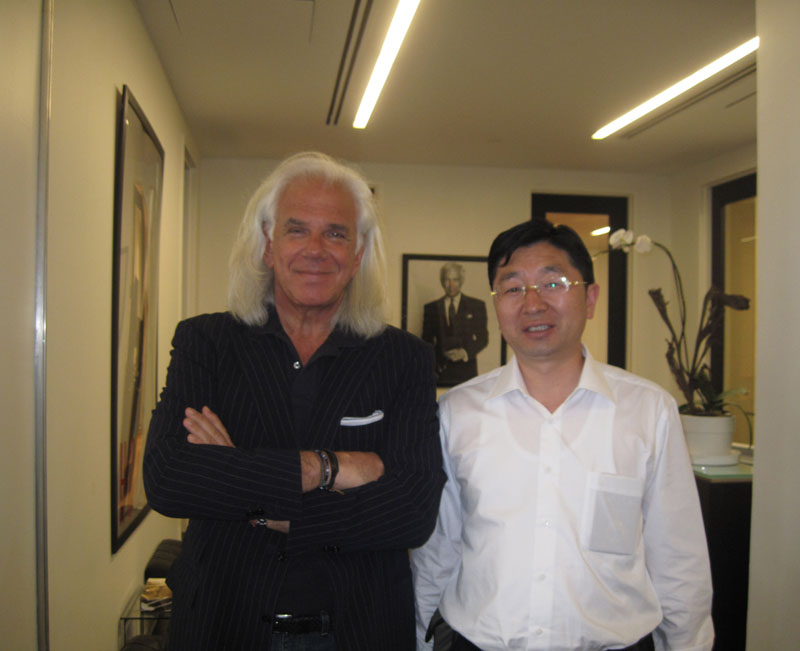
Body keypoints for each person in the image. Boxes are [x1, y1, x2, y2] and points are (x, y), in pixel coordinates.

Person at [144, 152, 445, 651]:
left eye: (335, 233)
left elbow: (411, 512)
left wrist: (242, 483)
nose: (315, 250)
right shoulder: (207, 342)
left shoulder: (404, 358)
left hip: (357, 633)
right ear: (267, 245)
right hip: (223, 628)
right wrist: (327, 468)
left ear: (358, 254)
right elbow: (170, 479)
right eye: (296, 229)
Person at [410, 220, 713, 651]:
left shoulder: (648, 412)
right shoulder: (457, 413)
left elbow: (679, 561)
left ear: (590, 298)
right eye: (513, 288)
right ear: (496, 305)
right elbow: (438, 549)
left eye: (553, 283)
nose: (533, 304)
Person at [422, 262, 488, 386]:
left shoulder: (476, 305)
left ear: (461, 281)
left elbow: (483, 338)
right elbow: (426, 341)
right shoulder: (431, 308)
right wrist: (440, 356)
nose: (451, 285)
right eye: (447, 280)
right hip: (441, 372)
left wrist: (464, 352)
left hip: (467, 373)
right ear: (442, 282)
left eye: (455, 280)